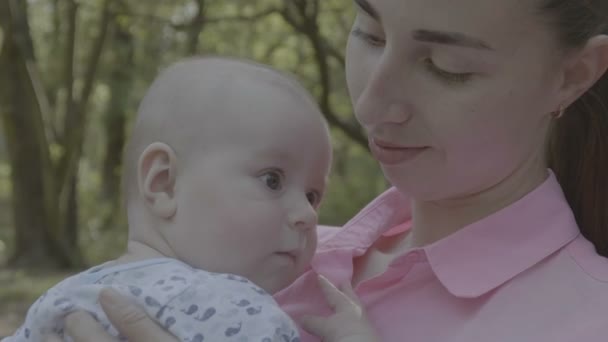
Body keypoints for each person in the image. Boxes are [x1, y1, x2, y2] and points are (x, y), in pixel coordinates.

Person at [48, 0, 608, 340]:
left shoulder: (587, 320)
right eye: (369, 32)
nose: (370, 104)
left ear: (573, 74)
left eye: (446, 67)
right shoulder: (259, 252)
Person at [5, 57, 379, 342]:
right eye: (272, 180)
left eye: (313, 196)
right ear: (164, 182)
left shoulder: (64, 298)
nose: (307, 216)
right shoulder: (231, 309)